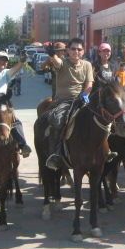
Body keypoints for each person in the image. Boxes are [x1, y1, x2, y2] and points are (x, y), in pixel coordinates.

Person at [45, 38, 94, 170]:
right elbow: (57, 62)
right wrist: (51, 54)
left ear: (83, 51)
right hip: (63, 101)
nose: (76, 51)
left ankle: (103, 152)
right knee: (57, 120)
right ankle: (55, 154)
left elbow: (89, 84)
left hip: (82, 100)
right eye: (73, 49)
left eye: (79, 49)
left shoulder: (87, 65)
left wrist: (84, 96)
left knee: (100, 118)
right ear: (67, 51)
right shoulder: (62, 63)